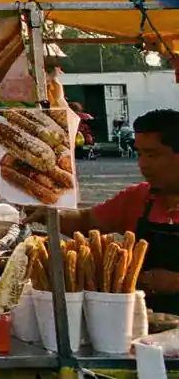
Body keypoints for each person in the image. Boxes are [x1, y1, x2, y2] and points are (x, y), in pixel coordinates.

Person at [30, 108, 179, 312]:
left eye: (152, 155)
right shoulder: (138, 198)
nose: (142, 164)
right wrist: (48, 213)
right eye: (139, 154)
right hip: (146, 326)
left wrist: (174, 282)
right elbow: (85, 221)